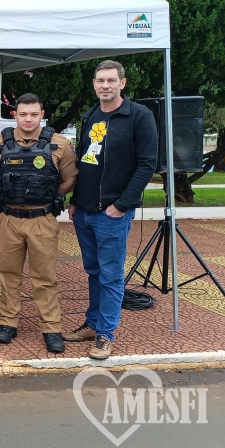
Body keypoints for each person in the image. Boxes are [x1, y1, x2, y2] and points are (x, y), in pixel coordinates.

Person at [64, 60, 158, 360]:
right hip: (85, 211)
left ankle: (106, 334)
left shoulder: (139, 116)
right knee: (93, 271)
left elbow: (146, 165)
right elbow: (84, 161)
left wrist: (122, 204)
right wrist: (75, 200)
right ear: (94, 84)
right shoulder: (90, 116)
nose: (105, 85)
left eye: (110, 81)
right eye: (100, 81)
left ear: (122, 83)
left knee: (111, 276)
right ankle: (92, 325)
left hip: (112, 213)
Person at [0, 93, 77, 353]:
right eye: (23, 114)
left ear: (42, 114)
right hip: (8, 219)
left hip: (42, 219)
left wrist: (49, 196)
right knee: (7, 275)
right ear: (15, 114)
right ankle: (7, 323)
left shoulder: (60, 145)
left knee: (45, 277)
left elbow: (69, 180)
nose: (28, 119)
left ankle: (51, 327)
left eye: (34, 114)